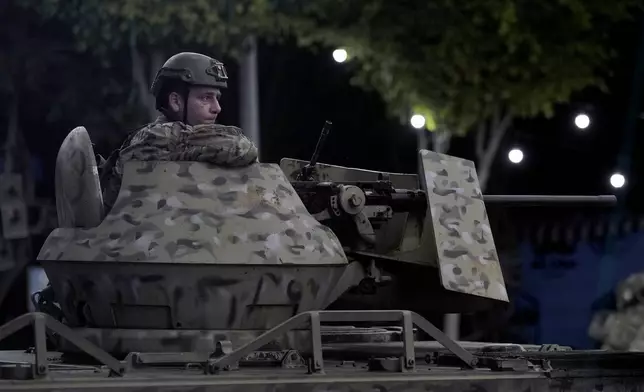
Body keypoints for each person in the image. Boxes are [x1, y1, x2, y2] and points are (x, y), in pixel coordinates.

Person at [100, 52, 258, 212]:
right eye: (206, 98)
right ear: (175, 101)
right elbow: (240, 148)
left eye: (217, 98)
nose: (217, 108)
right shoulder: (156, 137)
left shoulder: (183, 144)